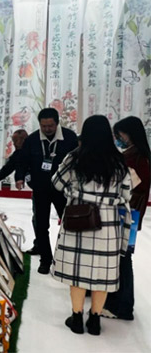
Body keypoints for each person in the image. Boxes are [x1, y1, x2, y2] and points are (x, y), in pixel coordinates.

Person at [51, 115, 131, 336]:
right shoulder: (119, 161)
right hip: (107, 223)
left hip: (79, 219)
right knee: (102, 272)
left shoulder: (74, 157)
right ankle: (94, 320)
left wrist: (75, 191)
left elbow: (56, 183)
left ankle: (77, 317)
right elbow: (127, 193)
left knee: (78, 270)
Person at [15, 108, 78, 274]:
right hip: (40, 188)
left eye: (50, 126)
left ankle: (67, 260)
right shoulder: (32, 140)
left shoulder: (69, 138)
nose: (47, 129)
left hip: (63, 190)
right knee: (41, 225)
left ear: (57, 123)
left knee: (68, 225)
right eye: (43, 126)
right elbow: (23, 161)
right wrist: (20, 177)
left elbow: (77, 162)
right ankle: (45, 260)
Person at [102, 116, 151, 320]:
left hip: (128, 214)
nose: (118, 138)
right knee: (121, 258)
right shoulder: (134, 155)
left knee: (123, 259)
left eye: (120, 134)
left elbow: (134, 186)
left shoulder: (137, 158)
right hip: (129, 213)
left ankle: (122, 306)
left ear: (129, 134)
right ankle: (118, 303)